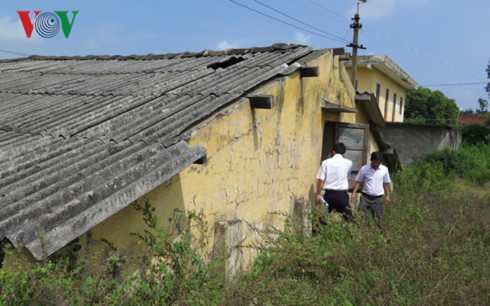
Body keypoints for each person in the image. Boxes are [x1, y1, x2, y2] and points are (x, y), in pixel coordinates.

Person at [350, 151, 391, 226]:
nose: (377, 164)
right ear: (371, 160)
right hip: (365, 198)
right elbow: (358, 181)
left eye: (379, 163)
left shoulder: (384, 170)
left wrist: (388, 195)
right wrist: (353, 193)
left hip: (378, 199)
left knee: (379, 220)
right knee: (360, 217)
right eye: (375, 162)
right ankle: (359, 234)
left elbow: (386, 183)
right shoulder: (364, 169)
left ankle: (381, 236)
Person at [316, 142, 353, 221]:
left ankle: (317, 232)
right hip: (342, 195)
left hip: (329, 195)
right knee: (349, 218)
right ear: (344, 154)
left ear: (333, 152)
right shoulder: (349, 163)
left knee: (322, 218)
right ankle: (350, 233)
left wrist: (318, 194)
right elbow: (347, 174)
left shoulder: (325, 163)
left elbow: (321, 180)